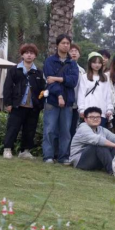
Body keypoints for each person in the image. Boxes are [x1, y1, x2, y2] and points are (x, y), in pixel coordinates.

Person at [2, 44, 46, 160]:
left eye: (32, 53)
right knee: (13, 128)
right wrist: (8, 103)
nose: (29, 55)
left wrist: (40, 104)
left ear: (35, 56)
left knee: (30, 129)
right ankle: (7, 149)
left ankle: (25, 151)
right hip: (17, 105)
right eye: (26, 53)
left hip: (33, 106)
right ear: (22, 55)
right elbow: (7, 87)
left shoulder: (38, 72)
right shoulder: (14, 70)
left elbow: (43, 89)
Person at [42, 34, 80, 165]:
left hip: (68, 101)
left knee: (66, 131)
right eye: (63, 43)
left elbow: (73, 81)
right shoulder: (50, 61)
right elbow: (49, 81)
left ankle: (63, 156)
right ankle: (48, 156)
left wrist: (58, 78)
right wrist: (59, 95)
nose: (66, 45)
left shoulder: (72, 63)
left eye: (68, 43)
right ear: (57, 44)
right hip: (52, 101)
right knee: (50, 129)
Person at [69, 107, 115, 174]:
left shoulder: (101, 129)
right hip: (80, 161)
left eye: (98, 117)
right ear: (85, 119)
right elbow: (97, 140)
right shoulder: (83, 128)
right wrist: (114, 145)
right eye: (92, 117)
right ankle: (113, 171)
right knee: (99, 145)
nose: (95, 119)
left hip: (94, 161)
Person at [77, 53, 112, 128]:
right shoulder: (84, 77)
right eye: (94, 62)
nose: (97, 65)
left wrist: (109, 109)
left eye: (99, 63)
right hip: (88, 112)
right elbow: (81, 94)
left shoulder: (105, 77)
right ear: (90, 63)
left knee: (101, 133)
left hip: (102, 112)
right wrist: (81, 109)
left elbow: (108, 95)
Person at [68, 43, 86, 138]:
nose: (74, 53)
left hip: (77, 105)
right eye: (71, 51)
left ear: (79, 54)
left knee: (73, 128)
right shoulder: (64, 67)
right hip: (65, 103)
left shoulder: (82, 71)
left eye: (76, 51)